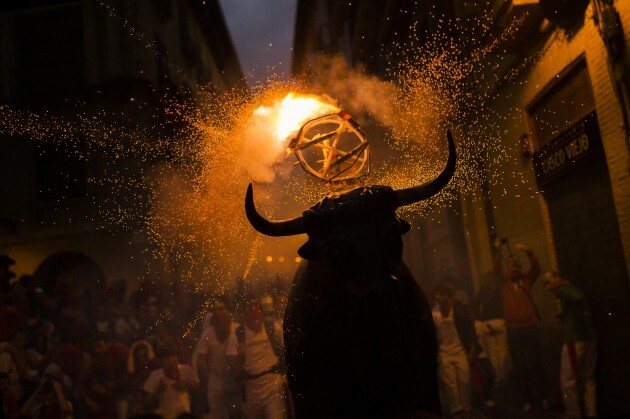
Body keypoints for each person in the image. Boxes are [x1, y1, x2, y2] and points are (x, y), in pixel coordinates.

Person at [494, 241, 547, 414]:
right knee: (520, 365)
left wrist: (528, 251)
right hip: (513, 328)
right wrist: (498, 249)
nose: (513, 264)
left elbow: (536, 268)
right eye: (510, 262)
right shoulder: (504, 282)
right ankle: (525, 399)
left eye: (515, 262)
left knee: (535, 362)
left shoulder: (526, 279)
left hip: (529, 325)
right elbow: (495, 270)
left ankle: (541, 397)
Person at [543, 271, 597, 419]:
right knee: (588, 377)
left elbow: (577, 299)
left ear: (556, 279)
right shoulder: (572, 287)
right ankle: (591, 412)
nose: (547, 287)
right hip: (590, 337)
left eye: (548, 282)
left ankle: (573, 413)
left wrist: (575, 323)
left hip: (575, 338)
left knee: (567, 380)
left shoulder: (565, 290)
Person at [228, 298, 287, 419]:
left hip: (273, 386)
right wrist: (240, 357)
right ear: (244, 314)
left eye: (256, 308)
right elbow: (234, 372)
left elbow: (285, 351)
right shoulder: (237, 336)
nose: (254, 312)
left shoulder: (272, 328)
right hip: (251, 390)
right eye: (250, 309)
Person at [432, 282, 479, 418]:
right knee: (450, 384)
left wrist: (472, 349)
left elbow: (470, 329)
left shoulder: (460, 310)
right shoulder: (434, 314)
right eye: (437, 297)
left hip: (460, 351)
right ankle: (456, 410)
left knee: (465, 380)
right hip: (444, 353)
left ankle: (466, 407)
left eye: (442, 296)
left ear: (448, 296)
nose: (440, 299)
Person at [194, 300, 242, 419]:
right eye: (215, 310)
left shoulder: (237, 330)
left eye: (221, 309)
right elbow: (201, 359)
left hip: (235, 380)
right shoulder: (207, 334)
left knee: (237, 414)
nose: (218, 312)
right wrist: (206, 378)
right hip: (215, 381)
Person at [143, 342, 199, 419]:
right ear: (161, 361)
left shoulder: (186, 369)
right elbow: (147, 402)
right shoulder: (156, 375)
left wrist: (186, 382)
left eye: (173, 356)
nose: (171, 360)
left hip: (185, 415)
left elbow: (198, 388)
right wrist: (158, 391)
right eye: (167, 358)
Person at [474, 271, 510, 387]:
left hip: (487, 322)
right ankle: (505, 376)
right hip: (500, 321)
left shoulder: (482, 290)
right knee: (502, 349)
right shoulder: (500, 290)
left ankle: (497, 377)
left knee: (492, 351)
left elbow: (475, 306)